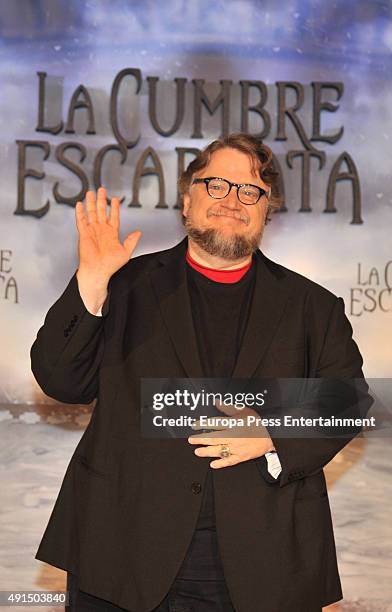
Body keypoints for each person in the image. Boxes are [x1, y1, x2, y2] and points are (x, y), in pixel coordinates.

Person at [31, 133, 370, 612]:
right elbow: (60, 379)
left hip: (260, 565)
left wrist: (273, 431)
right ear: (187, 201)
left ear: (265, 211)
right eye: (217, 185)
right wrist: (92, 280)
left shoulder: (312, 307)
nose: (233, 200)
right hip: (121, 554)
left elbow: (348, 401)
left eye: (250, 191)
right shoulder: (124, 286)